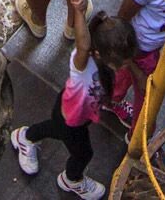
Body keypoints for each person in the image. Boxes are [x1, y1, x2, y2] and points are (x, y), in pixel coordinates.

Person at [10, 11, 141, 200]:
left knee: (54, 129)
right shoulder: (83, 65)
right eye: (121, 64)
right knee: (83, 154)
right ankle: (72, 179)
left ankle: (26, 137)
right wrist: (79, 9)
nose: (124, 68)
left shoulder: (104, 66)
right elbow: (83, 43)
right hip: (70, 119)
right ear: (98, 53)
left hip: (78, 116)